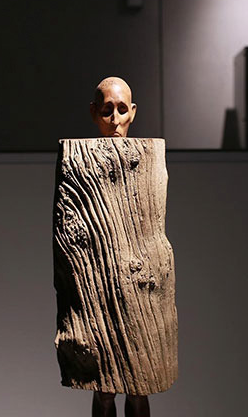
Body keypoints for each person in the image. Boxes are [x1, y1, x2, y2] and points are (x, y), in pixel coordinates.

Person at [87, 77, 149, 417]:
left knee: (140, 384)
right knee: (104, 387)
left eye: (122, 110)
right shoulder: (81, 160)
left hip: (140, 283)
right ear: (94, 113)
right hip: (98, 283)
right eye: (107, 110)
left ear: (133, 112)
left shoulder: (148, 158)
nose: (114, 120)